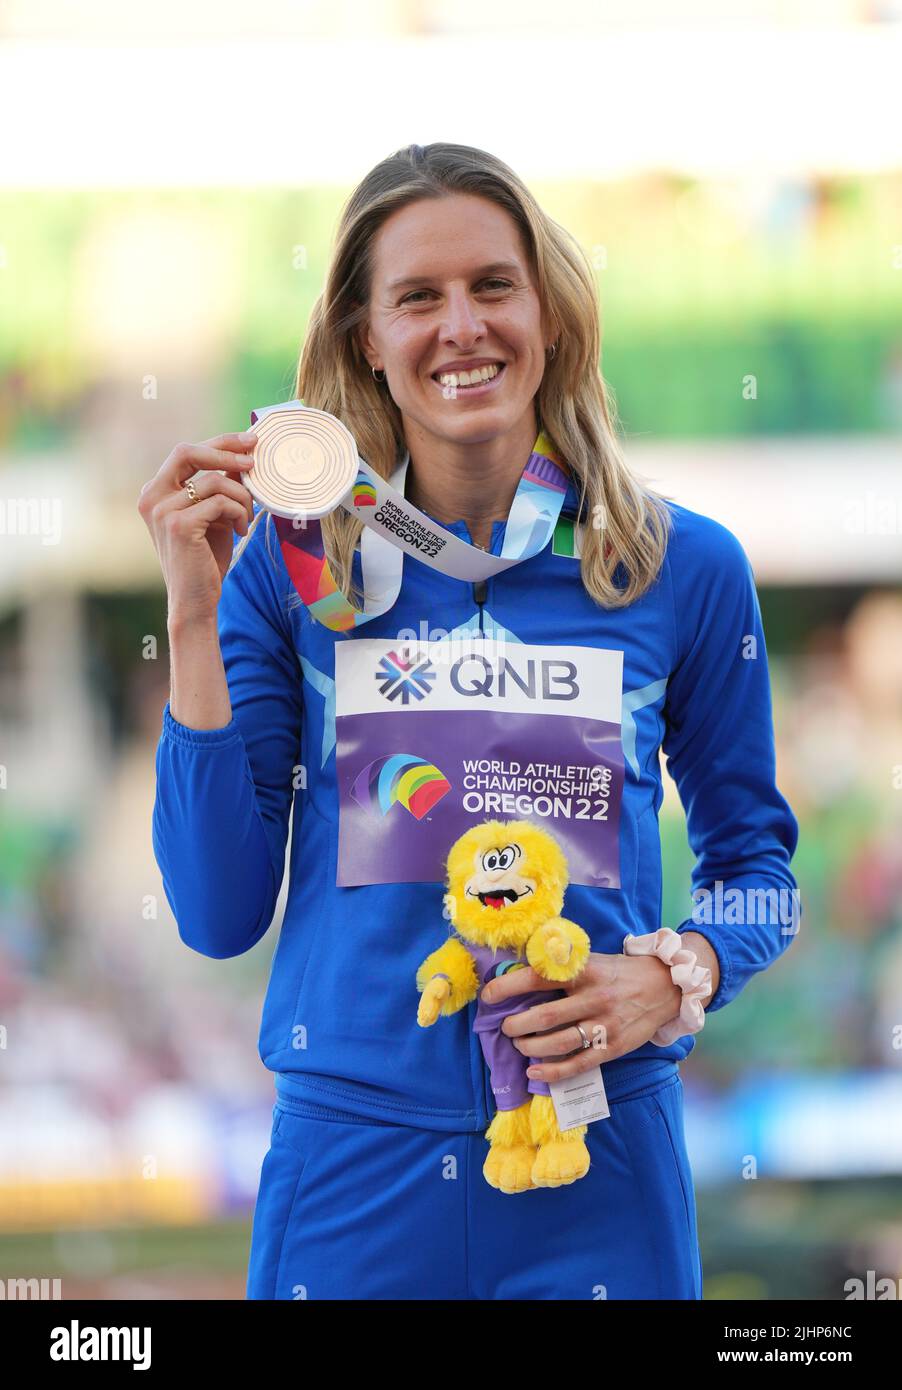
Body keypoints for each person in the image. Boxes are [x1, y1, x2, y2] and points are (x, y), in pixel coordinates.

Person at [138, 142, 800, 1301]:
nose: (461, 327)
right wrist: (192, 620)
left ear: (547, 314)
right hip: (351, 1173)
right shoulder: (296, 567)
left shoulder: (675, 566)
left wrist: (678, 973)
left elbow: (757, 871)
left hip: (597, 1151)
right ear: (364, 341)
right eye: (417, 297)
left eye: (493, 285)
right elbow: (214, 912)